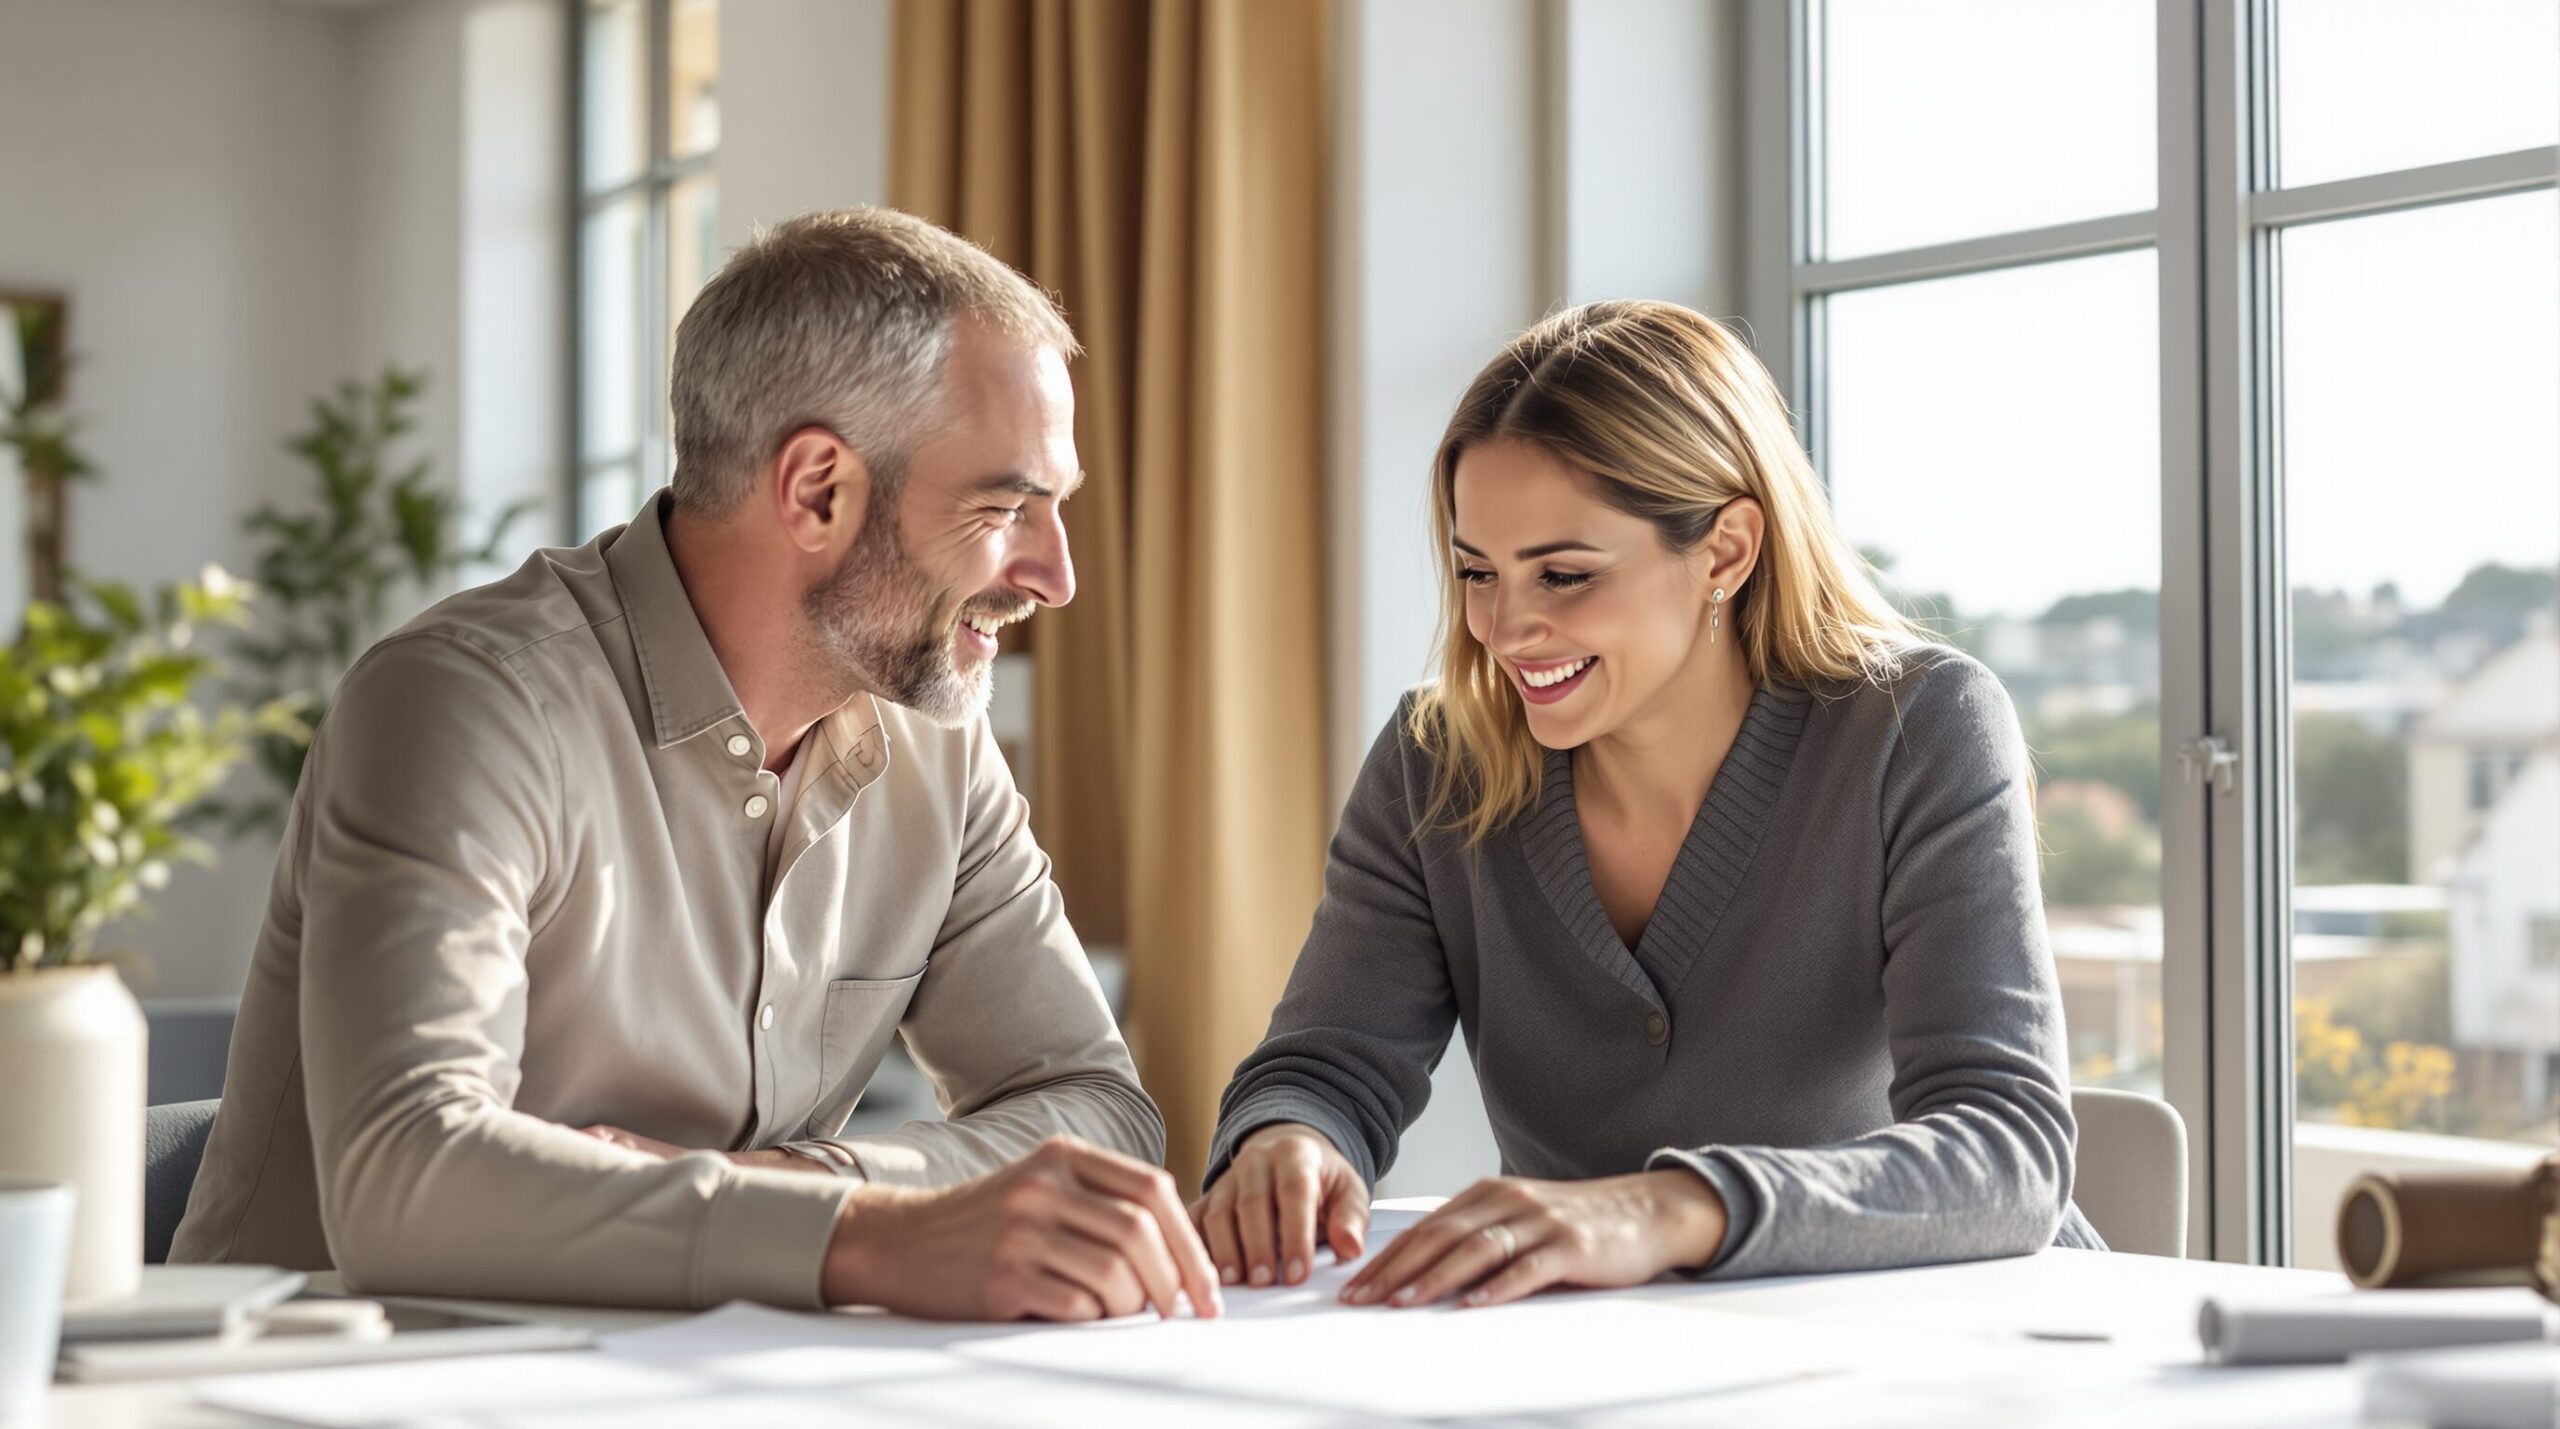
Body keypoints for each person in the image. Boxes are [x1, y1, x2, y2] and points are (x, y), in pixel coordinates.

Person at [173, 208, 1220, 1322]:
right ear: (818, 488)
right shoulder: (468, 704)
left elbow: (1093, 1106)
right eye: (1007, 505)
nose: (1054, 575)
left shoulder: (939, 746)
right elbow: (407, 1178)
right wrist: (865, 1235)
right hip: (322, 1383)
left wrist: (821, 1186)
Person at [1194, 299, 2103, 1310]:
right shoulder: (1434, 761)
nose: (1504, 627)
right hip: (1613, 1351)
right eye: (1476, 573)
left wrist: (1659, 1208)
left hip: (1948, 1336)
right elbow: (1330, 1063)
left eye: (1564, 574)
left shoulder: (1918, 726)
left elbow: (2006, 1150)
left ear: (1725, 551)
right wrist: (1290, 1136)